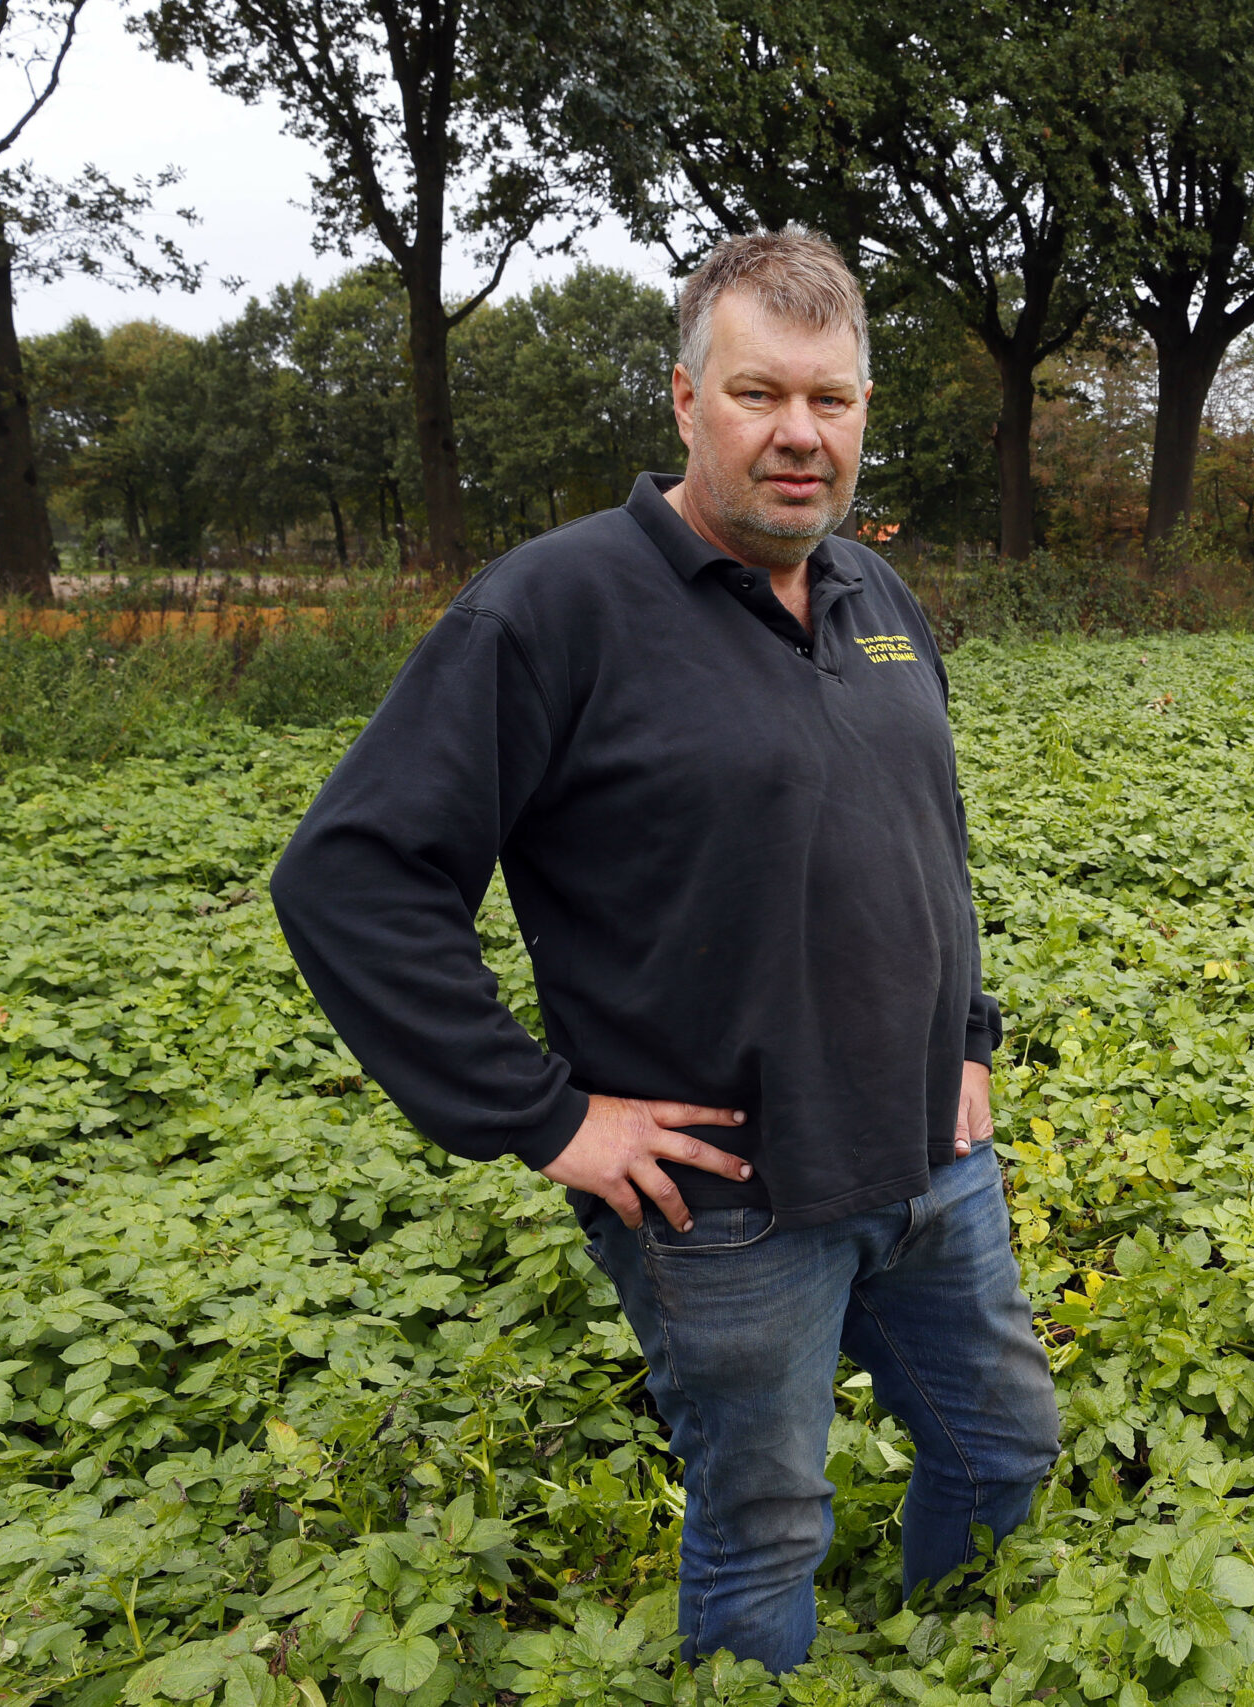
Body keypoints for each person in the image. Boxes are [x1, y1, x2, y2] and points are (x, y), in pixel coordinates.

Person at [269, 226, 1059, 1675]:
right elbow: (353, 877)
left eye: (835, 400)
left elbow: (923, 838)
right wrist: (546, 1116)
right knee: (765, 1526)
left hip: (933, 1157)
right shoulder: (554, 608)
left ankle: (956, 1661)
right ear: (687, 399)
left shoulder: (878, 599)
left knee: (1006, 1448)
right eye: (761, 394)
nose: (801, 436)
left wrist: (969, 1037)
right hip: (732, 1204)